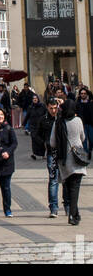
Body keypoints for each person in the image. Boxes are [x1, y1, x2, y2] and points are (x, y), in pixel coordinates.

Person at [51, 97, 87, 226]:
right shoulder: (78, 121)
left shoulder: (58, 122)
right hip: (77, 158)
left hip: (64, 159)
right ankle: (72, 215)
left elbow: (52, 142)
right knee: (75, 188)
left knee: (69, 187)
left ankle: (74, 213)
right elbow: (83, 137)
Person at [77, 87, 93, 157]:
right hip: (82, 124)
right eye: (81, 93)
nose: (83, 95)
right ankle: (86, 153)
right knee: (84, 139)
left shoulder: (91, 103)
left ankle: (90, 150)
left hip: (91, 124)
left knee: (92, 139)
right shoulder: (77, 103)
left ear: (87, 94)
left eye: (84, 93)